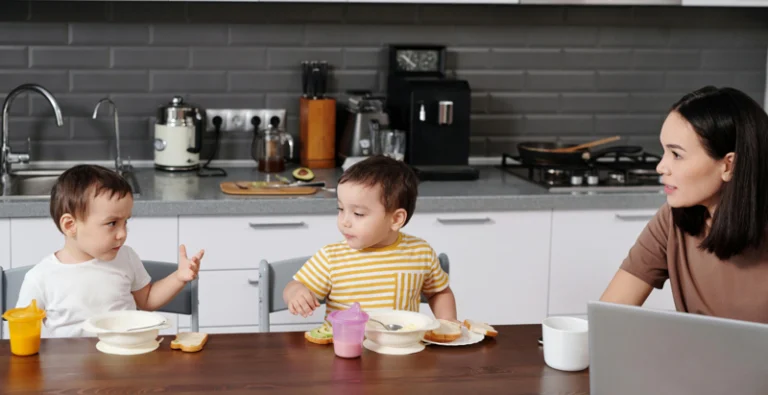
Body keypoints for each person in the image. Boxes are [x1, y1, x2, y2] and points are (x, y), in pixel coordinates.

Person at [600, 86, 768, 323]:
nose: (661, 167)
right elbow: (609, 316)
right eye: (664, 152)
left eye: (676, 155)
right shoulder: (672, 221)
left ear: (729, 166)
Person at [16, 164, 205, 337]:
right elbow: (21, 334)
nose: (122, 234)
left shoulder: (126, 257)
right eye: (112, 223)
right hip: (70, 363)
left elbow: (147, 300)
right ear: (70, 225)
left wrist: (179, 277)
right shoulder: (41, 279)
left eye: (125, 222)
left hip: (126, 358)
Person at [282, 155, 458, 325]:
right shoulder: (332, 257)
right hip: (346, 344)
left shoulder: (420, 252)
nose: (345, 221)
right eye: (341, 209)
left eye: (358, 214)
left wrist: (447, 321)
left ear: (396, 219)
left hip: (402, 345)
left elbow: (438, 292)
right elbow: (294, 285)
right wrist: (296, 293)